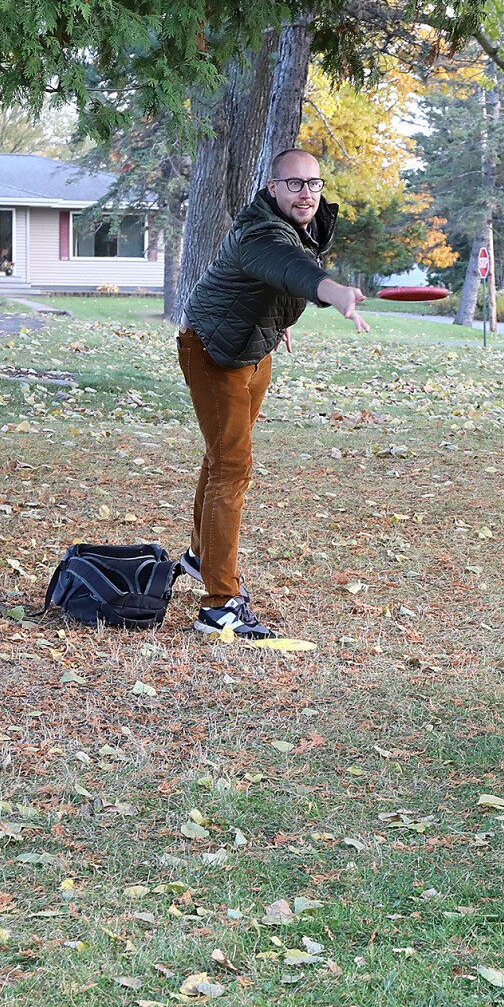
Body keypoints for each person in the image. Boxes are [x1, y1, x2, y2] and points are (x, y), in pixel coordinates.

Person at [177, 147, 368, 639]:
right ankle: (219, 604)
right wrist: (335, 292)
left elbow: (274, 285)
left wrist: (276, 321)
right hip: (215, 350)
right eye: (295, 183)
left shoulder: (305, 223)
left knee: (222, 457)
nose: (306, 193)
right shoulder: (260, 231)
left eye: (314, 184)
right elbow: (288, 268)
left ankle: (201, 558)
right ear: (273, 188)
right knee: (231, 466)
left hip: (253, 347)